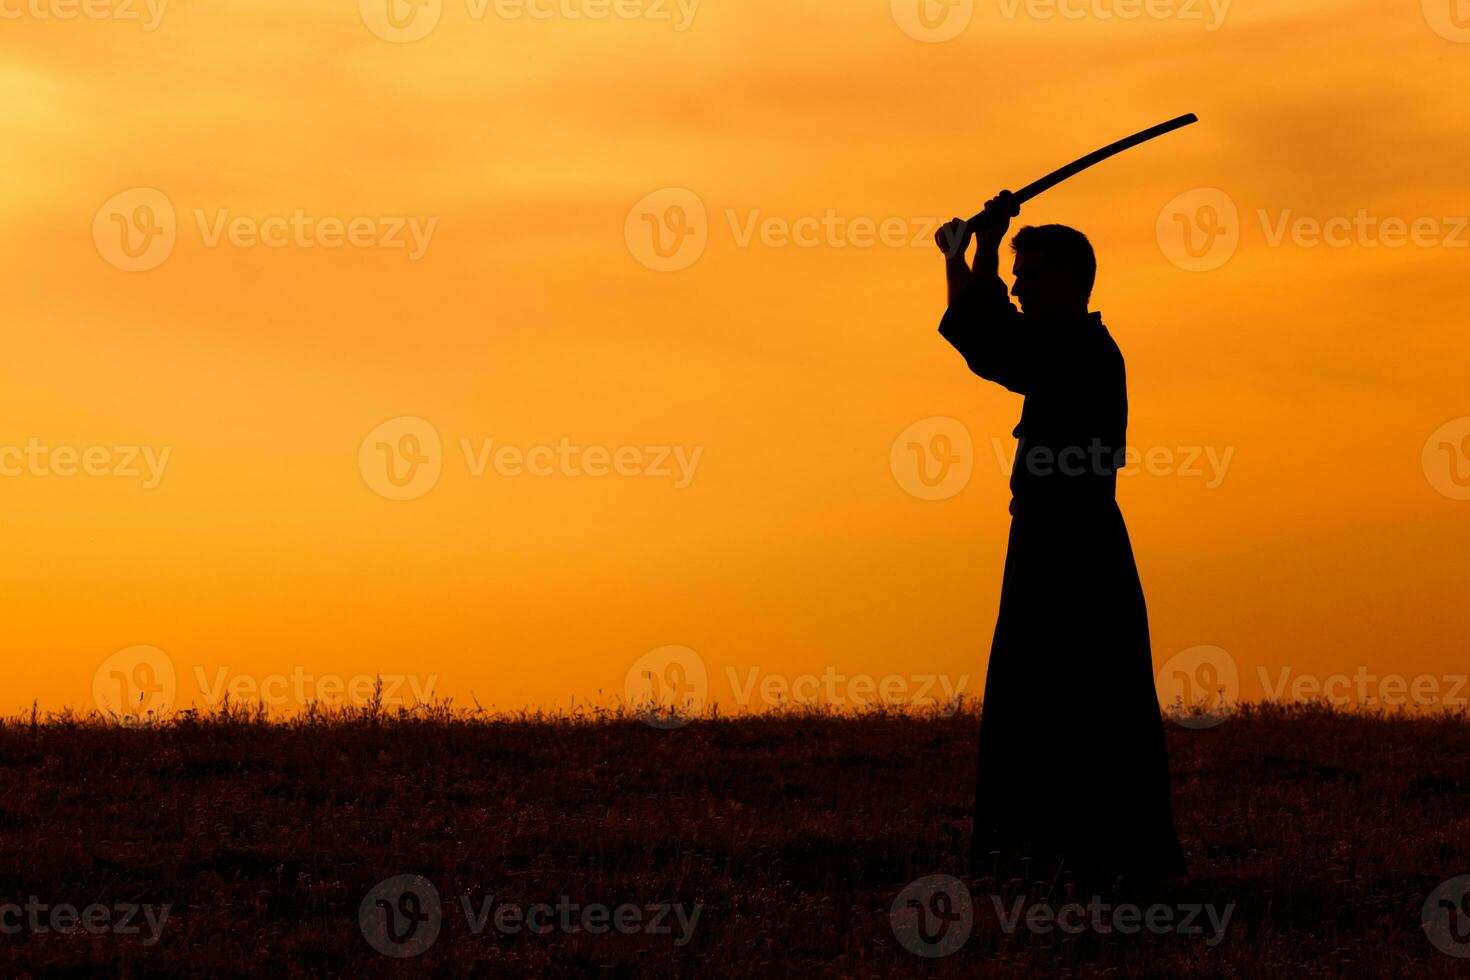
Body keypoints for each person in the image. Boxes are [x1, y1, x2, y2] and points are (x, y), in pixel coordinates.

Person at [934, 192, 1187, 893]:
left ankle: (1098, 856)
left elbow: (990, 342)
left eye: (1032, 276)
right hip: (1055, 538)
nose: (1019, 288)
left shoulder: (1079, 351)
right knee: (1041, 698)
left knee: (1075, 699)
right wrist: (981, 251)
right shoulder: (1070, 347)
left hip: (1074, 547)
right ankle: (1057, 854)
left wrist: (967, 254)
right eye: (1019, 277)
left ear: (1071, 283)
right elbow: (994, 334)